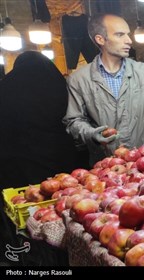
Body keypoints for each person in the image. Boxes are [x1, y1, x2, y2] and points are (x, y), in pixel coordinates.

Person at [63, 14, 144, 166]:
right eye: (120, 34)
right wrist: (92, 134)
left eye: (128, 34)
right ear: (100, 39)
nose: (129, 40)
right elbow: (73, 121)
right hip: (107, 167)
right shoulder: (79, 80)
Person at [0, 51, 85, 265]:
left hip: (17, 167)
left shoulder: (6, 87)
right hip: (59, 163)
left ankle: (30, 257)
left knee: (25, 218)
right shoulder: (58, 85)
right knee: (59, 212)